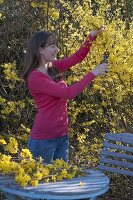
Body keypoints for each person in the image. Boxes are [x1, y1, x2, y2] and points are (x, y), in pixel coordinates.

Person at [23, 27, 109, 164]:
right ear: (40, 50)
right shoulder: (35, 78)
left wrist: (91, 36)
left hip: (62, 136)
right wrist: (94, 72)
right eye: (52, 46)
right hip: (43, 140)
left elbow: (78, 57)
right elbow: (69, 93)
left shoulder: (53, 67)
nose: (57, 49)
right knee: (41, 183)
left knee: (61, 182)